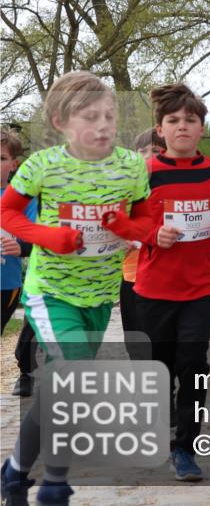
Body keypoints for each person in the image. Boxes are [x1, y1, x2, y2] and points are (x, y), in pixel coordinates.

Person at [0, 71, 150, 506]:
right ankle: (55, 485)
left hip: (100, 297)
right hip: (50, 292)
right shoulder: (42, 166)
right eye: (90, 117)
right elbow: (10, 214)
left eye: (109, 115)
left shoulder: (130, 165)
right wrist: (47, 237)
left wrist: (125, 226)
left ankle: (13, 472)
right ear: (61, 121)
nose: (103, 125)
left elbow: (144, 220)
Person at [126, 83, 210, 481]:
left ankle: (185, 448)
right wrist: (153, 234)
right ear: (160, 129)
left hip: (200, 290)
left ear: (202, 127)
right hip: (153, 289)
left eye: (191, 120)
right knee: (159, 369)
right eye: (173, 121)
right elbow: (126, 220)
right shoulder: (145, 173)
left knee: (192, 366)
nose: (183, 127)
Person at [120, 128, 165, 360]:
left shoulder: (172, 188)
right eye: (143, 151)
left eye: (156, 151)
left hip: (164, 276)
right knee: (135, 338)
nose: (149, 156)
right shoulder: (124, 190)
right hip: (131, 275)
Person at [1, 127, 38, 400]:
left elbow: (37, 237)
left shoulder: (24, 199)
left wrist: (21, 247)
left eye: (1, 157)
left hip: (6, 283)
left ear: (14, 163)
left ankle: (26, 372)